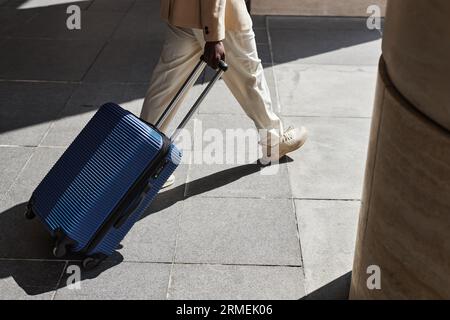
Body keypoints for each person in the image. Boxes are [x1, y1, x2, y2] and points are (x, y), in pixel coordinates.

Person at [141, 0, 308, 187]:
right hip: (221, 17)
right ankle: (273, 140)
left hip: (182, 10)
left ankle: (144, 157)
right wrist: (213, 36)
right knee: (249, 77)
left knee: (166, 85)